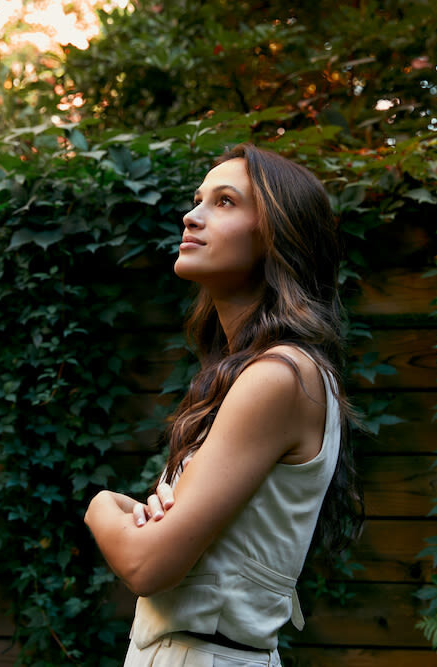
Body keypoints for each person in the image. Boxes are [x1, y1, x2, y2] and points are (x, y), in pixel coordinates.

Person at [84, 143, 362, 666]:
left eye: (225, 201)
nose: (191, 216)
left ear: (278, 235)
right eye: (198, 200)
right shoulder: (254, 372)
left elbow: (147, 564)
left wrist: (100, 504)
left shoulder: (279, 377)